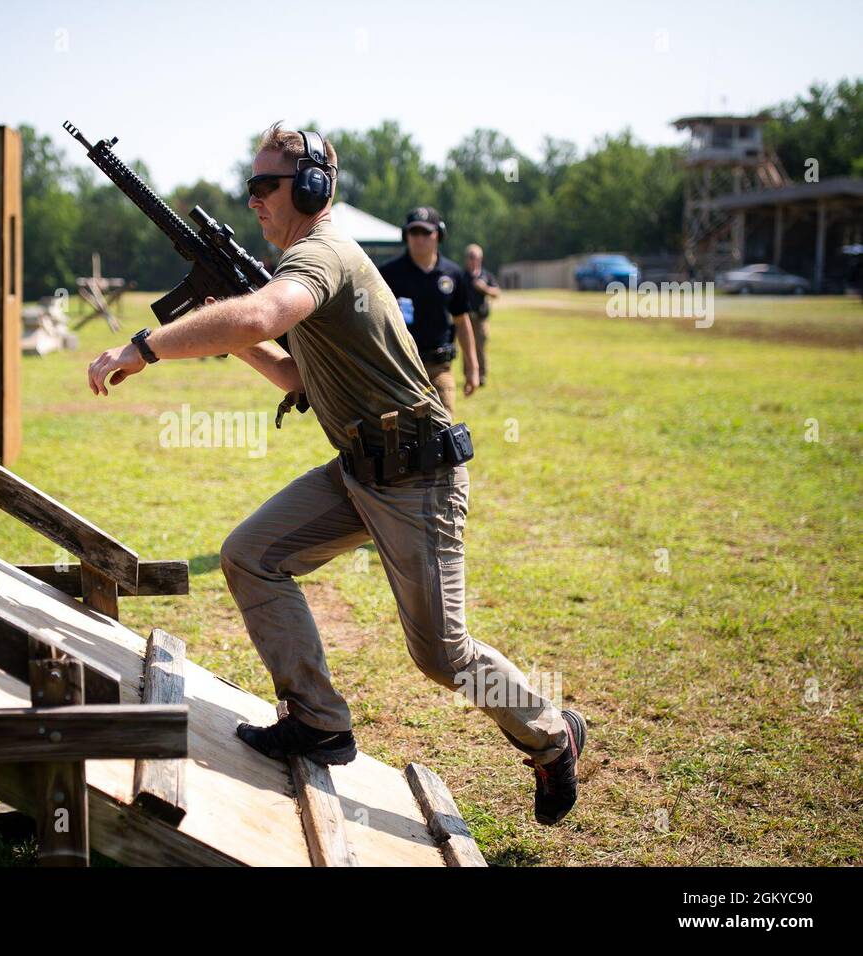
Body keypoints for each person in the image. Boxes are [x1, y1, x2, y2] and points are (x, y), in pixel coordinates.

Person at [86, 123, 586, 825]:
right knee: (251, 555)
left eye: (266, 186)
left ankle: (551, 734)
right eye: (250, 186)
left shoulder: (321, 255)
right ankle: (319, 720)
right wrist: (228, 338)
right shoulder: (306, 266)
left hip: (417, 476)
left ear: (312, 188)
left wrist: (147, 345)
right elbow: (295, 371)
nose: (254, 199)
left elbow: (260, 313)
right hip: (360, 471)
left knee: (441, 656)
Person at [377, 208, 478, 420]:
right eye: (414, 233)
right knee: (402, 434)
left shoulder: (453, 273)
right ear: (406, 236)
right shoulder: (388, 274)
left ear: (439, 235)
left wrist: (472, 368)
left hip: (439, 367)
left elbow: (462, 321)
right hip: (401, 369)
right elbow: (375, 321)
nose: (420, 238)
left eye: (426, 232)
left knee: (443, 427)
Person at [463, 243, 501, 386]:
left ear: (480, 259)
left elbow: (497, 292)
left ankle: (482, 376)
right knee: (466, 347)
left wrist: (484, 288)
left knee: (480, 347)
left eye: (475, 257)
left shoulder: (486, 275)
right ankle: (468, 375)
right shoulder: (461, 276)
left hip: (480, 319)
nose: (473, 260)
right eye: (470, 257)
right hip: (465, 319)